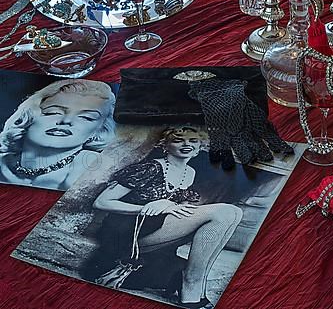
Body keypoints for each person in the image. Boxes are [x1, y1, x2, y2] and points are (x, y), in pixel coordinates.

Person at [87, 126, 243, 309]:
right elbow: (101, 202)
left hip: (156, 230)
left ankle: (196, 282)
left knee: (234, 212)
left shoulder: (189, 173)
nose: (187, 145)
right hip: (127, 231)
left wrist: (171, 206)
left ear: (200, 147)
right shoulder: (150, 168)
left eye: (193, 141)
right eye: (178, 140)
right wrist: (145, 208)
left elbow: (177, 205)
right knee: (224, 212)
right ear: (165, 145)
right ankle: (190, 281)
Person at [0, 79, 116, 190]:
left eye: (87, 117)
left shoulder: (93, 168)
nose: (66, 120)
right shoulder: (2, 163)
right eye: (53, 112)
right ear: (27, 118)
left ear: (98, 131)